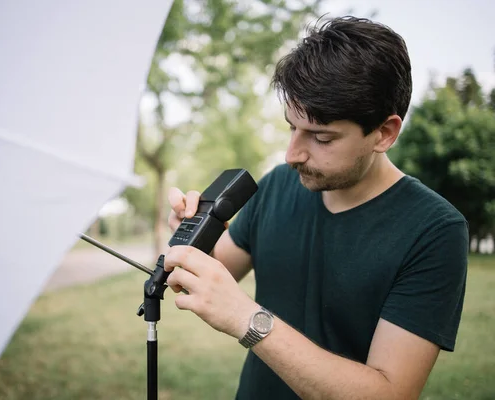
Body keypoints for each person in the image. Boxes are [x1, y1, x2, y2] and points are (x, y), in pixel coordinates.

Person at [163, 16, 468, 400]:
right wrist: (186, 236)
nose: (293, 154)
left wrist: (247, 319)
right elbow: (207, 273)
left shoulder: (435, 230)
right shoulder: (276, 185)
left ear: (385, 133)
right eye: (292, 127)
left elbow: (390, 393)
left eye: (321, 137)